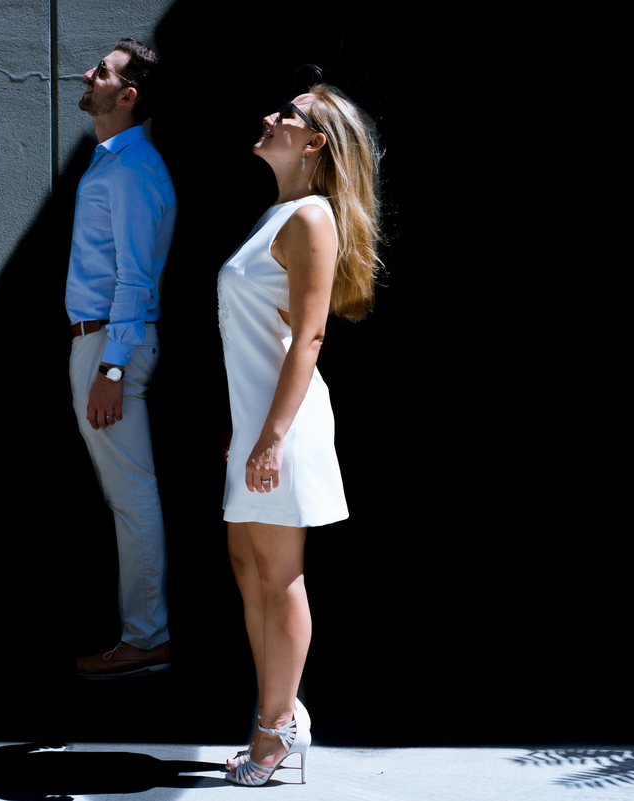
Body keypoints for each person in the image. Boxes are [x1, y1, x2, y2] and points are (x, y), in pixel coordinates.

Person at [217, 83, 382, 785]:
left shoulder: (312, 218)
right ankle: (279, 712)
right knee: (249, 567)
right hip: (259, 425)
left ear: (314, 142)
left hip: (286, 427)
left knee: (279, 575)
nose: (268, 117)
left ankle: (274, 729)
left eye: (285, 115)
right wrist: (247, 430)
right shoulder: (278, 214)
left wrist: (272, 435)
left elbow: (308, 337)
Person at [68, 39, 176, 678]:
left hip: (111, 345)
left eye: (101, 72)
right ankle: (143, 633)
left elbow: (135, 281)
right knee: (128, 497)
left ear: (127, 95)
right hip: (102, 342)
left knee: (133, 497)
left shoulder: (132, 169)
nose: (88, 75)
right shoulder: (113, 163)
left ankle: (145, 637)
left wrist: (110, 368)